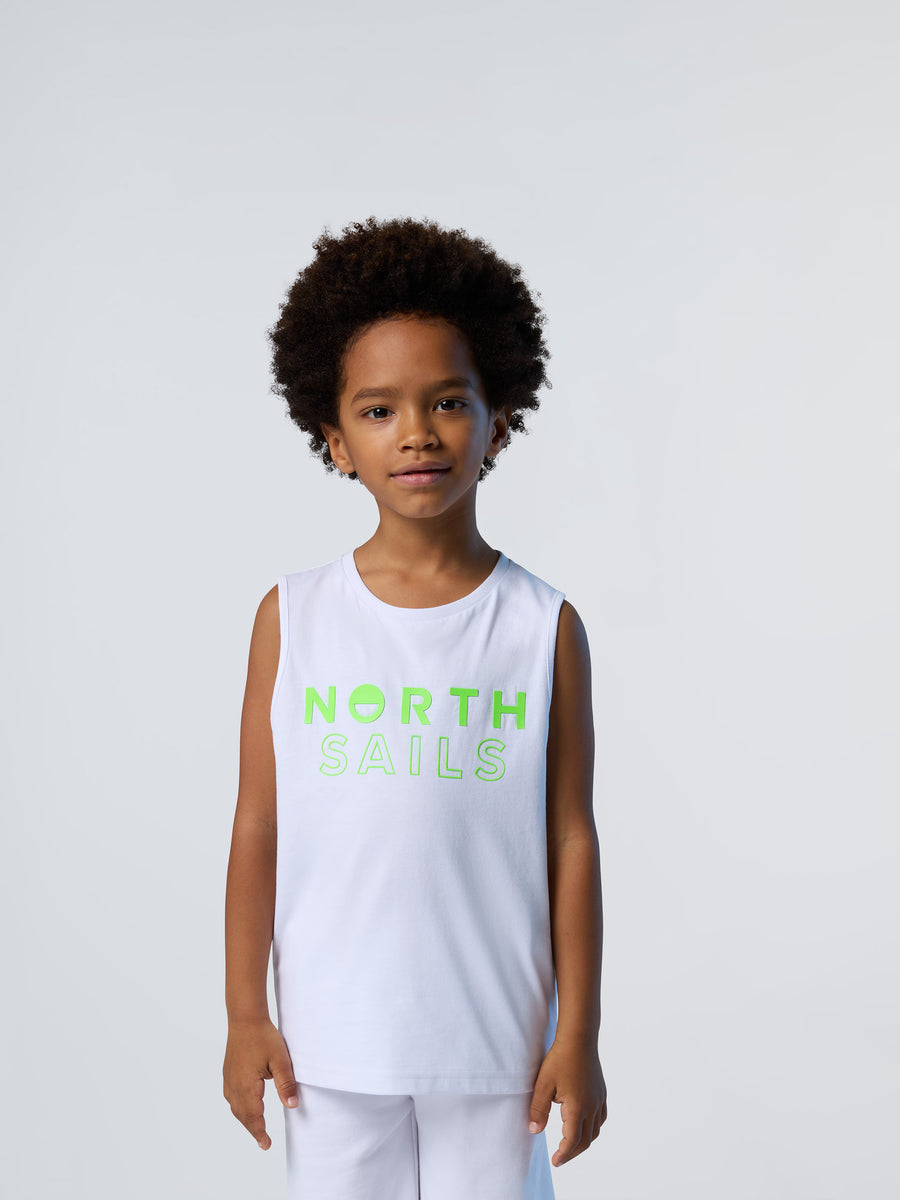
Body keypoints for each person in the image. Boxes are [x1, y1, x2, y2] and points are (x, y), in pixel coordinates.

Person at [223, 215, 607, 1199]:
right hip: (329, 1047)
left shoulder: (542, 627)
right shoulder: (293, 617)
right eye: (378, 409)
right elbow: (259, 824)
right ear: (336, 441)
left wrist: (579, 1033)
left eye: (446, 401)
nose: (417, 432)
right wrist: (244, 1015)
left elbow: (571, 838)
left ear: (498, 420)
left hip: (497, 1050)